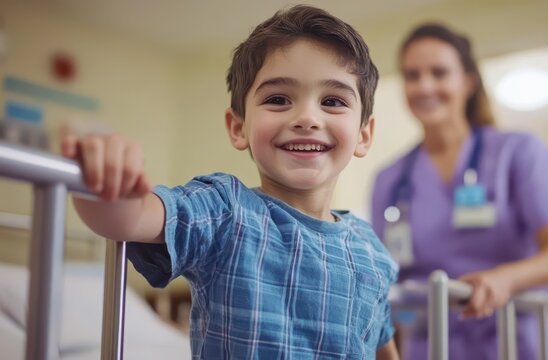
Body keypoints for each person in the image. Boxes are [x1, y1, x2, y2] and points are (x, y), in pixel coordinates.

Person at [63, 6, 399, 359]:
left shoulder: (371, 250)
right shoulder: (225, 211)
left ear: (364, 134)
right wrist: (101, 176)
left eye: (332, 101)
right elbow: (126, 219)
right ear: (238, 127)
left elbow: (380, 344)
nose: (307, 118)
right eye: (278, 99)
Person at [370, 23, 548, 360]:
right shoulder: (389, 179)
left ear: (468, 81)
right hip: (430, 346)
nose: (424, 85)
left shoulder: (518, 153)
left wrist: (505, 279)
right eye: (412, 75)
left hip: (517, 342)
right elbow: (385, 277)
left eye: (439, 72)